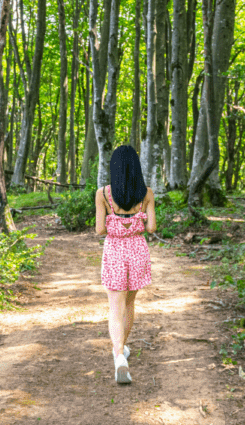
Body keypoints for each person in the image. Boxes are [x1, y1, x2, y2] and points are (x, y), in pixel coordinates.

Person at [94, 145, 156, 384]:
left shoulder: (103, 194)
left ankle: (119, 356)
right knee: (129, 303)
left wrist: (114, 221)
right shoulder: (147, 193)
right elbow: (151, 228)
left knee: (114, 306)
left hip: (115, 251)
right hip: (138, 251)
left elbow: (100, 230)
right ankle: (122, 348)